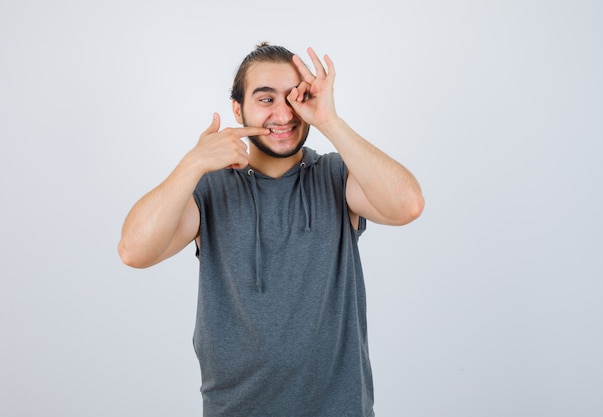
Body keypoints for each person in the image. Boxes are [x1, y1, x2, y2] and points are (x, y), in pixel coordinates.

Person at [118, 42, 424, 417]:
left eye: (295, 97)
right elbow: (133, 251)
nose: (284, 113)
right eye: (266, 100)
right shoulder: (209, 189)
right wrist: (193, 163)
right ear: (238, 109)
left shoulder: (336, 175)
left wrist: (331, 121)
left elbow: (407, 205)